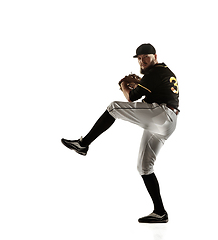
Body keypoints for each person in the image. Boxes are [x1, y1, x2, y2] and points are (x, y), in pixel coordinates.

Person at [61, 43, 179, 223]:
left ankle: (83, 144)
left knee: (114, 107)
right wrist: (139, 85)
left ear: (155, 55)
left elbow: (131, 97)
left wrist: (125, 85)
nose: (142, 61)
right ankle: (160, 212)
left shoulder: (154, 72)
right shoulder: (161, 72)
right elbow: (150, 93)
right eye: (139, 58)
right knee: (144, 167)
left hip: (161, 114)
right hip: (165, 121)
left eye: (145, 57)